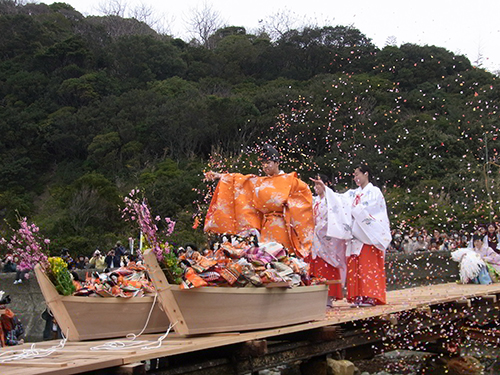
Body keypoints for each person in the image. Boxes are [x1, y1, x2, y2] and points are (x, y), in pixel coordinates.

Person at [204, 145, 314, 258]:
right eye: (263, 163)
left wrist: (288, 207)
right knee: (264, 259)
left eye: (268, 162)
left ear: (277, 163)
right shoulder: (259, 182)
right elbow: (239, 180)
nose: (265, 166)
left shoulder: (292, 181)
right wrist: (219, 176)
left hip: (282, 225)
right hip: (266, 226)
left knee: (282, 257)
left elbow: (303, 202)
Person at [311, 163, 391, 307]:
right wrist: (325, 189)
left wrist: (353, 210)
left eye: (357, 174)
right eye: (354, 175)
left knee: (367, 265)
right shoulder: (352, 193)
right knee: (356, 265)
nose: (355, 177)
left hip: (368, 235)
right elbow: (339, 200)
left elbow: (369, 210)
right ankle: (358, 295)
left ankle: (371, 295)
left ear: (366, 174)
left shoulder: (374, 192)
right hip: (356, 235)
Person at [308, 174, 345, 306]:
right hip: (315, 236)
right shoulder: (314, 200)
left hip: (327, 236)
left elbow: (336, 216)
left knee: (327, 266)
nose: (316, 187)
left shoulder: (332, 199)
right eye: (315, 184)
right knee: (316, 266)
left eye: (319, 184)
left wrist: (320, 228)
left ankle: (329, 297)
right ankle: (316, 297)